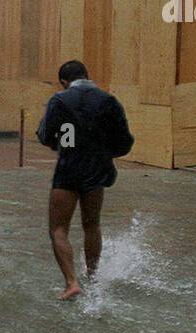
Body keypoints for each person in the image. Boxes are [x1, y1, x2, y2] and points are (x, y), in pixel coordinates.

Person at [36, 61, 135, 301]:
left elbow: (45, 135)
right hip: (97, 170)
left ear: (64, 81)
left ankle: (71, 282)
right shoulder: (108, 101)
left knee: (58, 229)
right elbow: (125, 141)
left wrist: (61, 144)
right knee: (92, 225)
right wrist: (102, 154)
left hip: (68, 168)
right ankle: (93, 278)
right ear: (87, 76)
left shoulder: (59, 100)